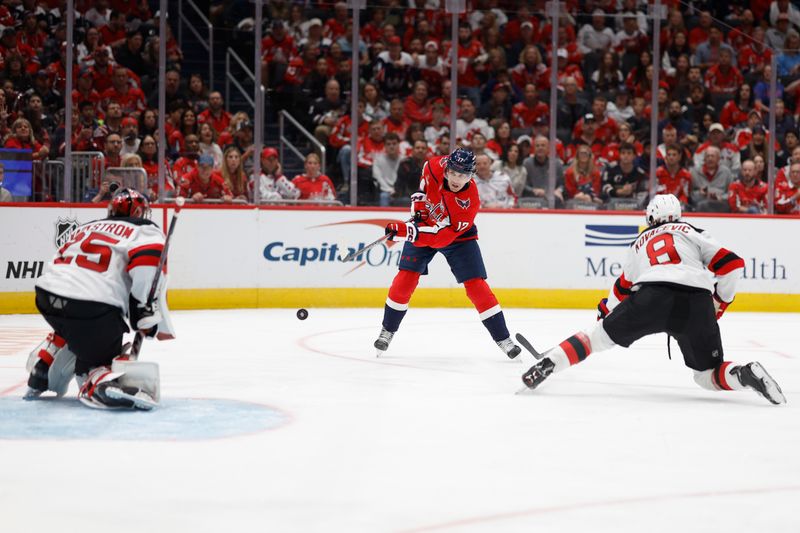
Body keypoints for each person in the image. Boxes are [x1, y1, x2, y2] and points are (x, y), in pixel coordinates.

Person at [520, 194, 786, 406]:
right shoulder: (692, 232)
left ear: (650, 217)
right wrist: (720, 301)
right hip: (697, 302)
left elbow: (622, 288)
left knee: (596, 338)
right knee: (707, 375)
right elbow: (732, 264)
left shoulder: (639, 242)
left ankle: (549, 363)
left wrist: (605, 314)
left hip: (653, 297)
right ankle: (744, 374)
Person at [25, 188, 175, 410]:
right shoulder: (145, 229)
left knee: (74, 326)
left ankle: (46, 362)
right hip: (91, 308)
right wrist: (142, 309)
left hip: (47, 297)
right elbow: (147, 265)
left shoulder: (87, 227)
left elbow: (61, 261)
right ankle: (96, 381)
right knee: (99, 356)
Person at [374, 148, 521, 359]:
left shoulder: (469, 202)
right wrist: (418, 204)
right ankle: (387, 330)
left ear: (471, 176)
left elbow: (440, 238)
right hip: (425, 226)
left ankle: (504, 339)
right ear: (446, 168)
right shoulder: (434, 165)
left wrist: (408, 232)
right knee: (405, 280)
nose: (456, 178)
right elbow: (424, 178)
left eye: (462, 175)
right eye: (453, 172)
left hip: (456, 236)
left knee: (476, 286)